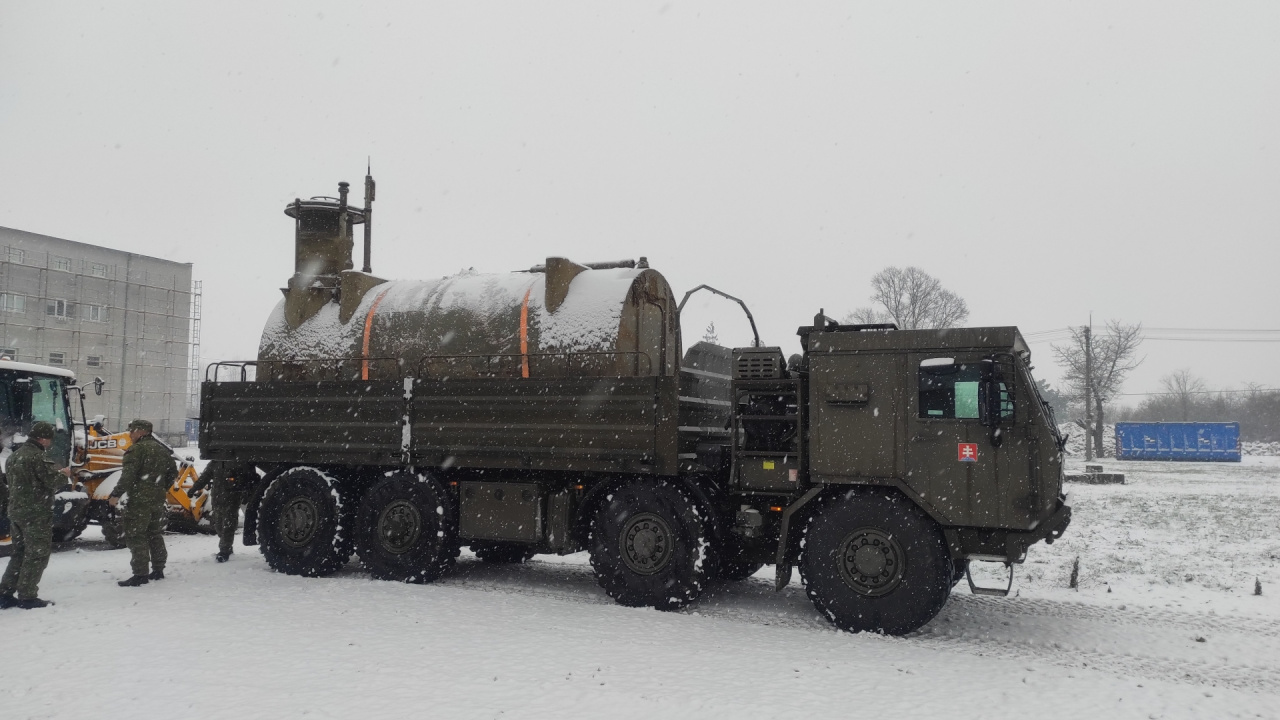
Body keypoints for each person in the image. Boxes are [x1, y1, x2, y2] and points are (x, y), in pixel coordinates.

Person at [0, 422, 73, 609]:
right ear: (42, 439)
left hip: (16, 512)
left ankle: (5, 593)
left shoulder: (14, 456)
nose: (50, 442)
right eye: (49, 439)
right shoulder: (38, 457)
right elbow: (51, 481)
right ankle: (27, 596)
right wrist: (64, 474)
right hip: (35, 514)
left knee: (19, 553)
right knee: (37, 554)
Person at [109, 420, 177, 587]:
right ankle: (158, 569)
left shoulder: (136, 450)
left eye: (132, 431)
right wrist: (159, 488)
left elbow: (128, 476)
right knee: (154, 533)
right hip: (157, 500)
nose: (130, 434)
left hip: (140, 501)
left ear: (141, 431)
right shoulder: (162, 450)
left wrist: (116, 494)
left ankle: (140, 574)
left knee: (136, 534)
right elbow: (173, 472)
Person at [187, 460, 254, 562]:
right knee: (218, 526)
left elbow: (247, 479)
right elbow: (204, 478)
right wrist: (194, 489)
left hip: (232, 500)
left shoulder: (238, 462)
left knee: (228, 526)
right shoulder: (214, 463)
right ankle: (227, 546)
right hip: (217, 500)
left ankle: (224, 550)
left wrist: (246, 493)